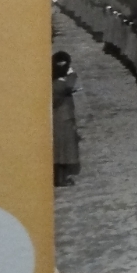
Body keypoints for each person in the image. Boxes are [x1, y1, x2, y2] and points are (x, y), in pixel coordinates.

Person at [52, 51, 81, 187]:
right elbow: (70, 84)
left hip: (60, 118)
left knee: (60, 151)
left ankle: (60, 178)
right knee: (62, 152)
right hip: (63, 119)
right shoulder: (59, 85)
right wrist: (71, 72)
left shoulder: (56, 83)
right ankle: (61, 179)